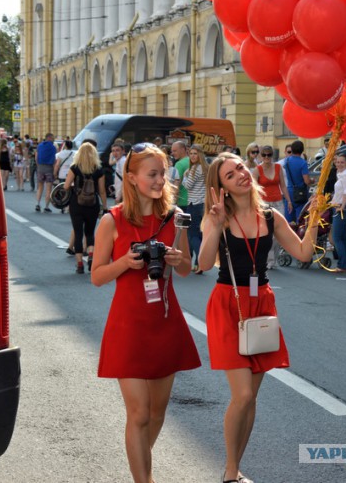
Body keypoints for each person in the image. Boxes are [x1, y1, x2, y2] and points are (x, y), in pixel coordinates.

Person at [197, 152, 322, 483]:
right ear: (219, 188)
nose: (240, 174)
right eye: (229, 174)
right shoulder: (215, 216)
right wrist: (217, 222)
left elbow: (303, 253)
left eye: (240, 167)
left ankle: (235, 467)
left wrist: (316, 219)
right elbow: (204, 264)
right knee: (244, 396)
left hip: (261, 305)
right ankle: (228, 469)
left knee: (252, 399)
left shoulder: (270, 215)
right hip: (228, 304)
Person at [91, 143, 201, 483]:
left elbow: (185, 269)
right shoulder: (113, 220)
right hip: (129, 326)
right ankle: (144, 479)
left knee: (156, 413)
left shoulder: (173, 218)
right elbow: (97, 276)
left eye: (162, 174)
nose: (160, 180)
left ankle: (139, 464)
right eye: (152, 174)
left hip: (165, 323)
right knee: (138, 413)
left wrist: (176, 256)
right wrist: (125, 262)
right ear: (132, 177)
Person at [63, 140, 108, 273]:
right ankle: (91, 255)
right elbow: (102, 191)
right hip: (92, 204)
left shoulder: (75, 167)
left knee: (78, 233)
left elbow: (66, 186)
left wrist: (74, 186)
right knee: (89, 232)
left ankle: (79, 265)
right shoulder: (99, 170)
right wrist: (104, 207)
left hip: (76, 203)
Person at [252, 144, 293, 269]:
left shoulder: (278, 167)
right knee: (267, 232)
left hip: (278, 202)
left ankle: (272, 259)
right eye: (264, 155)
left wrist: (289, 201)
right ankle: (269, 260)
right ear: (261, 155)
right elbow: (253, 188)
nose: (266, 157)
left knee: (277, 232)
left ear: (272, 155)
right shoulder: (257, 169)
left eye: (269, 155)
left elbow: (283, 186)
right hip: (264, 204)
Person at [183, 144, 208, 274]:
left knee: (192, 234)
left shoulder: (194, 169)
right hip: (203, 205)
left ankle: (201, 261)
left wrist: (185, 176)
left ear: (200, 155)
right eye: (191, 153)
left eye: (195, 153)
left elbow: (187, 186)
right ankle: (198, 265)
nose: (192, 156)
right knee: (200, 234)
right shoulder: (205, 168)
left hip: (194, 204)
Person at [330, 154, 346, 273]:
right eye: (337, 162)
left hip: (341, 208)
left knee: (337, 238)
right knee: (342, 238)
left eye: (342, 162)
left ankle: (342, 265)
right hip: (339, 206)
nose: (339, 164)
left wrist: (342, 206)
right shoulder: (342, 174)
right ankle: (344, 264)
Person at [283, 140, 311, 224]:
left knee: (289, 220)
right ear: (302, 150)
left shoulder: (286, 161)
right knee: (300, 219)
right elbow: (306, 181)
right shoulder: (303, 163)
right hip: (300, 193)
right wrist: (311, 181)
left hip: (289, 192)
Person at [35, 133, 57, 212]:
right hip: (49, 169)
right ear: (49, 138)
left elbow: (36, 157)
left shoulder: (39, 146)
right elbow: (55, 160)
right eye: (53, 137)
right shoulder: (53, 147)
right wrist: (55, 171)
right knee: (48, 188)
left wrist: (38, 166)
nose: (53, 139)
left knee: (40, 187)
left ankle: (37, 204)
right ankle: (46, 207)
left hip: (40, 167)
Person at [171, 140, 190, 212]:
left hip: (182, 202)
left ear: (182, 150)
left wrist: (173, 201)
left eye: (175, 151)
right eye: (172, 151)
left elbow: (176, 185)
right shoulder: (193, 161)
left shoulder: (179, 164)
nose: (172, 153)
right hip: (195, 201)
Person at [109, 139, 127, 203]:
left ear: (123, 151)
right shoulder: (119, 161)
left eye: (117, 150)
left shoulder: (123, 161)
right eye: (113, 151)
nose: (115, 153)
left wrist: (119, 196)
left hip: (123, 196)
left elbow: (125, 180)